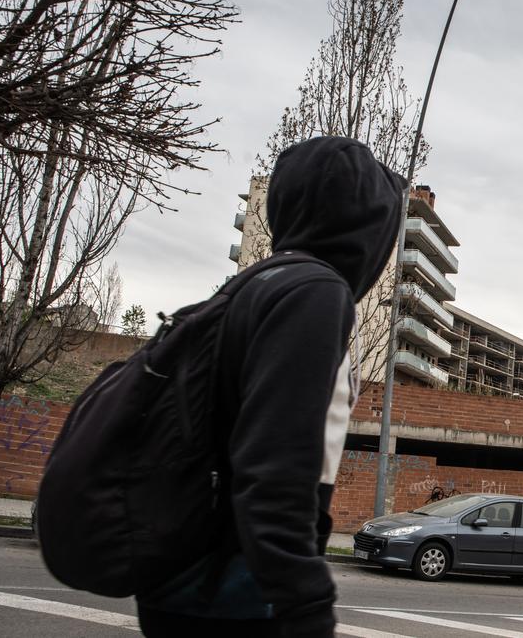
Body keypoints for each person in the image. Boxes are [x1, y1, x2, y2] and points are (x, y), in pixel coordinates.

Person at [136, 137, 403, 637]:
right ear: (364, 228)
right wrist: (307, 607)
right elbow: (276, 469)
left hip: (183, 581)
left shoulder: (253, 285)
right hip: (234, 594)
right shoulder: (315, 294)